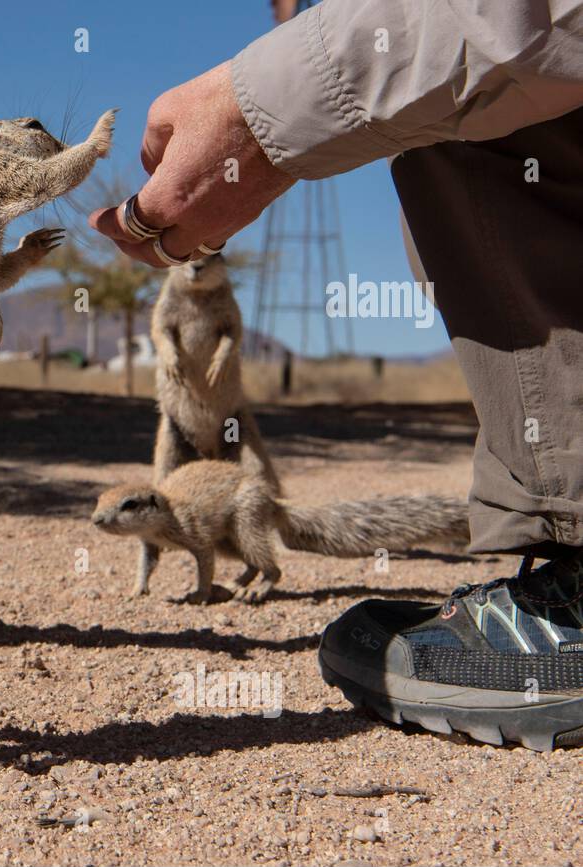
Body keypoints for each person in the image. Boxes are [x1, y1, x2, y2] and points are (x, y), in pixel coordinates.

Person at [91, 0, 583, 751]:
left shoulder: (217, 288)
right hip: (185, 418)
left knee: (468, 121)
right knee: (466, 100)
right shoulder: (169, 299)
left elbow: (534, 22)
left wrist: (265, 114)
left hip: (230, 426)